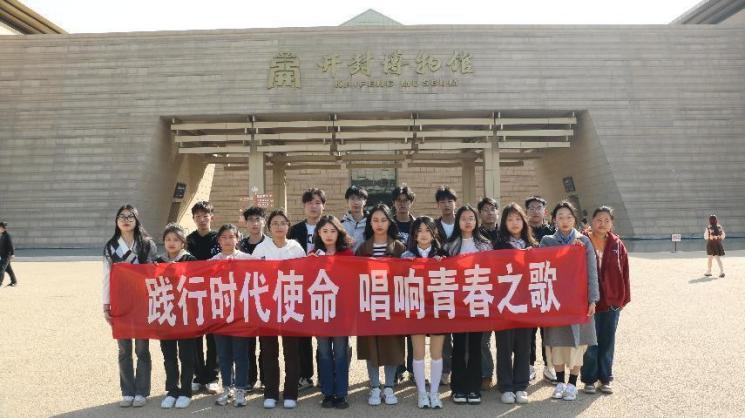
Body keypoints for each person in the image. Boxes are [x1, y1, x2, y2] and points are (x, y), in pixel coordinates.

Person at [540, 201, 599, 401]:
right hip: (555, 300)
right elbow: (541, 268)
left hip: (578, 300)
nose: (565, 221)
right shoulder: (547, 241)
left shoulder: (584, 241)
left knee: (578, 343)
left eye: (569, 217)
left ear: (574, 219)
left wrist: (593, 299)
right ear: (554, 220)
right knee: (557, 343)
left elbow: (592, 272)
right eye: (560, 217)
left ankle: (572, 384)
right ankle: (559, 382)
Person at [102, 204, 157, 408]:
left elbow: (152, 273)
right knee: (124, 349)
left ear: (136, 220)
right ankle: (127, 391)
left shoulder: (146, 244)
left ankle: (142, 391)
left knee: (142, 348)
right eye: (122, 216)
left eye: (130, 216)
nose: (126, 220)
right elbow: (106, 277)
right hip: (120, 302)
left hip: (142, 301)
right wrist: (106, 304)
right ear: (116, 221)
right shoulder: (110, 246)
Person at [253, 209, 307, 409]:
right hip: (267, 306)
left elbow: (305, 274)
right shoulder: (260, 249)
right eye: (275, 223)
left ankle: (291, 393)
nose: (279, 227)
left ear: (288, 226)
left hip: (290, 305)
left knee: (291, 351)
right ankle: (271, 393)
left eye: (283, 223)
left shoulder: (296, 248)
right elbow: (251, 275)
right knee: (268, 351)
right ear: (269, 227)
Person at [355, 203, 406, 406]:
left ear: (390, 222)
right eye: (375, 220)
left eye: (383, 220)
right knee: (371, 346)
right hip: (369, 304)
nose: (379, 224)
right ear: (369, 223)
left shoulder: (399, 248)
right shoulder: (362, 248)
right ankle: (375, 386)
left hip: (392, 305)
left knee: (392, 344)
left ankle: (390, 386)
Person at [444, 205, 492, 405]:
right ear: (458, 221)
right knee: (458, 345)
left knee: (475, 345)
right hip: (457, 302)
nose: (468, 221)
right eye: (464, 218)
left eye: (471, 218)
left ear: (476, 221)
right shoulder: (450, 245)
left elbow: (492, 270)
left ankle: (473, 387)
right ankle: (458, 387)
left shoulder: (485, 245)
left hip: (477, 299)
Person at [581, 206, 631, 395]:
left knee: (608, 341)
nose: (602, 224)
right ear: (592, 221)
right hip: (590, 301)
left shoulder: (617, 244)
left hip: (612, 301)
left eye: (606, 220)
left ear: (612, 223)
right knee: (590, 342)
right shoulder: (582, 241)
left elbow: (625, 272)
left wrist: (624, 298)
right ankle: (589, 379)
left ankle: (605, 378)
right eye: (599, 220)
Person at [492, 203, 537, 405]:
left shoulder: (532, 245)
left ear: (524, 221)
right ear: (504, 223)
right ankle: (506, 386)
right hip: (505, 304)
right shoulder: (498, 245)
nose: (514, 223)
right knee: (504, 346)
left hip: (526, 305)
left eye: (518, 219)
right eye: (510, 219)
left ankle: (521, 385)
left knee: (523, 346)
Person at [401, 216, 447, 409]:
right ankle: (421, 392)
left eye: (428, 230)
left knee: (436, 353)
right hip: (416, 308)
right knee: (418, 353)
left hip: (437, 309)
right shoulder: (406, 255)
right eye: (419, 231)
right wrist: (407, 266)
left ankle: (434, 392)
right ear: (414, 235)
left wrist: (442, 263)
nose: (424, 234)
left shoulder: (443, 254)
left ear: (434, 233)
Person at [309, 215, 354, 409]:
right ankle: (327, 392)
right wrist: (311, 263)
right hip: (321, 311)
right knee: (324, 352)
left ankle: (341, 393)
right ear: (318, 233)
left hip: (342, 313)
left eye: (332, 231)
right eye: (324, 231)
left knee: (341, 353)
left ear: (339, 232)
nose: (328, 235)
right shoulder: (313, 255)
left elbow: (353, 283)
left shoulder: (348, 255)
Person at [210, 224, 256, 407]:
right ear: (219, 240)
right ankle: (227, 388)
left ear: (238, 239)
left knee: (241, 354)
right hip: (220, 314)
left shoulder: (248, 259)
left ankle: (240, 389)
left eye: (231, 237)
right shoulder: (211, 261)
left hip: (241, 314)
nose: (228, 240)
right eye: (224, 237)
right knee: (223, 354)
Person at [155, 224, 198, 409]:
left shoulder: (191, 260)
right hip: (166, 313)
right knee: (169, 355)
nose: (171, 243)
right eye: (168, 239)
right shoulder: (157, 261)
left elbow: (198, 284)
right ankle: (172, 390)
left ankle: (186, 391)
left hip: (186, 314)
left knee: (186, 355)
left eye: (175, 240)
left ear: (183, 243)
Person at [288, 188, 326, 390]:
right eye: (310, 202)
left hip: (323, 286)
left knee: (323, 334)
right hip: (300, 286)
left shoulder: (330, 227)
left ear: (323, 206)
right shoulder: (295, 231)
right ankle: (305, 375)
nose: (314, 206)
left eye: (318, 202)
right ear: (304, 206)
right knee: (302, 334)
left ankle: (324, 375)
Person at [186, 201, 221, 395]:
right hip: (193, 293)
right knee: (195, 335)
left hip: (215, 293)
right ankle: (198, 376)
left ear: (211, 217)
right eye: (198, 216)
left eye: (205, 216)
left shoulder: (219, 238)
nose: (201, 219)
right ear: (193, 219)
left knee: (214, 336)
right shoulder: (188, 240)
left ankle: (213, 376)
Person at [525, 195, 555, 383]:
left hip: (546, 286)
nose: (535, 211)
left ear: (545, 211)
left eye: (539, 208)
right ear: (526, 212)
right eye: (531, 208)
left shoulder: (553, 233)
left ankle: (549, 365)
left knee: (548, 329)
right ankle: (528, 365)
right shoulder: (522, 231)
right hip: (526, 287)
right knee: (528, 330)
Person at [238, 206, 268, 391]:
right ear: (246, 223)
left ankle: (265, 378)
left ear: (264, 222)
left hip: (265, 299)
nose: (254, 223)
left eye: (258, 219)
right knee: (247, 343)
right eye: (251, 220)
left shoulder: (271, 244)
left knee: (266, 342)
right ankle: (250, 379)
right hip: (244, 299)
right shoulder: (239, 245)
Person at [391, 184, 416, 384]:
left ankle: (414, 369)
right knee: (397, 328)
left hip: (414, 283)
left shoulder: (418, 225)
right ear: (394, 203)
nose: (402, 204)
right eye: (399, 201)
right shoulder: (389, 225)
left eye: (406, 200)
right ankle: (398, 368)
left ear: (411, 202)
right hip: (394, 283)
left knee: (414, 329)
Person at [433, 185, 457, 386]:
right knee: (444, 330)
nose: (446, 205)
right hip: (441, 283)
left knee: (463, 328)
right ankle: (445, 370)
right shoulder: (433, 226)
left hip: (464, 283)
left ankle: (462, 369)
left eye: (450, 201)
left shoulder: (464, 222)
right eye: (442, 201)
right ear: (438, 205)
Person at [476, 197, 499, 389]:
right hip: (483, 291)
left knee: (506, 341)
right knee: (483, 339)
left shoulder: (506, 233)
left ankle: (507, 376)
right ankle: (486, 374)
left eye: (492, 209)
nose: (489, 213)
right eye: (485, 210)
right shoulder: (475, 235)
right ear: (480, 214)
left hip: (506, 291)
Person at [341, 185, 368, 252]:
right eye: (352, 198)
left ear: (365, 201)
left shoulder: (371, 223)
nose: (355, 202)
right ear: (347, 201)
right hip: (346, 258)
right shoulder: (341, 224)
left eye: (359, 198)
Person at [0, 221, 18, 287]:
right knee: (9, 270)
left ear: (3, 228)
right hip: (3, 256)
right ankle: (14, 281)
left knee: (1, 268)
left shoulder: (7, 235)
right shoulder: (2, 235)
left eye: (0, 228)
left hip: (6, 256)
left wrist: (13, 254)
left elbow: (11, 245)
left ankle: (0, 283)